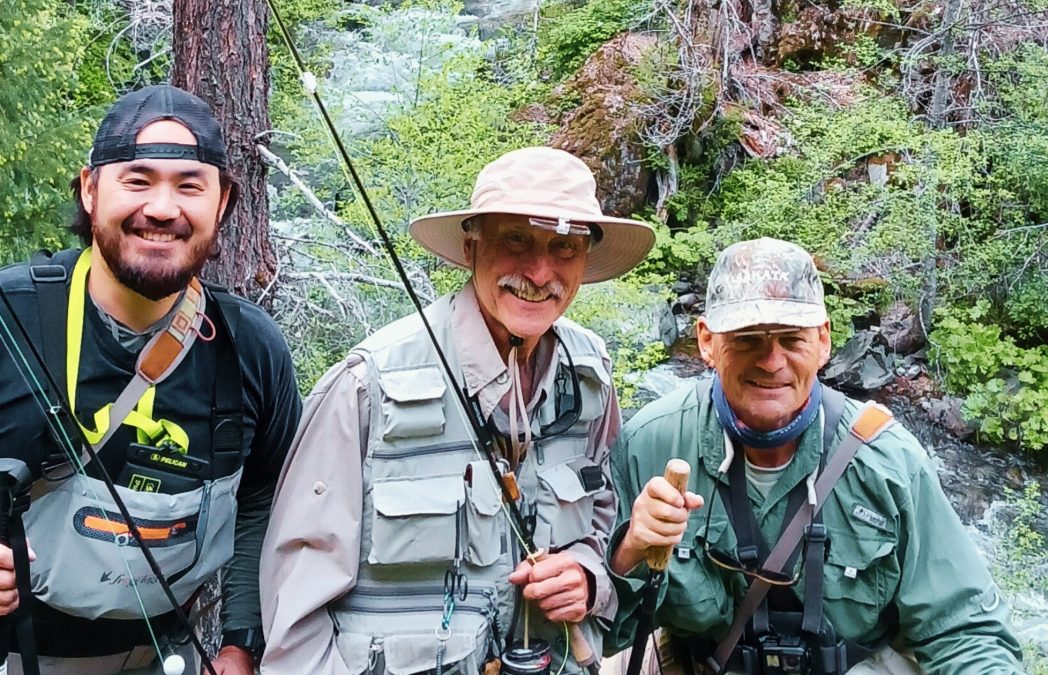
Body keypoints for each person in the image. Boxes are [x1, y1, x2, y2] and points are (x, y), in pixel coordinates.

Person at [259, 147, 656, 675]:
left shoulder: (591, 377)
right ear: (472, 246)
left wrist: (586, 576)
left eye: (563, 246)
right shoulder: (370, 383)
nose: (540, 272)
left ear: (585, 259)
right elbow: (296, 610)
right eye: (517, 239)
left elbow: (605, 519)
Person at [604, 238, 1024, 674]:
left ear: (824, 341)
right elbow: (607, 626)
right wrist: (629, 554)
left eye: (791, 339)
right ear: (707, 342)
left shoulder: (888, 460)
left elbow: (966, 632)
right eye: (747, 340)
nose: (771, 362)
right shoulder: (651, 444)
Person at [0, 85, 303, 674]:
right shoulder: (8, 316)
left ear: (223, 204)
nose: (163, 208)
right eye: (137, 180)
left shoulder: (251, 349)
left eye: (190, 185)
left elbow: (269, 500)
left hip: (172, 655)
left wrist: (242, 644)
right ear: (90, 191)